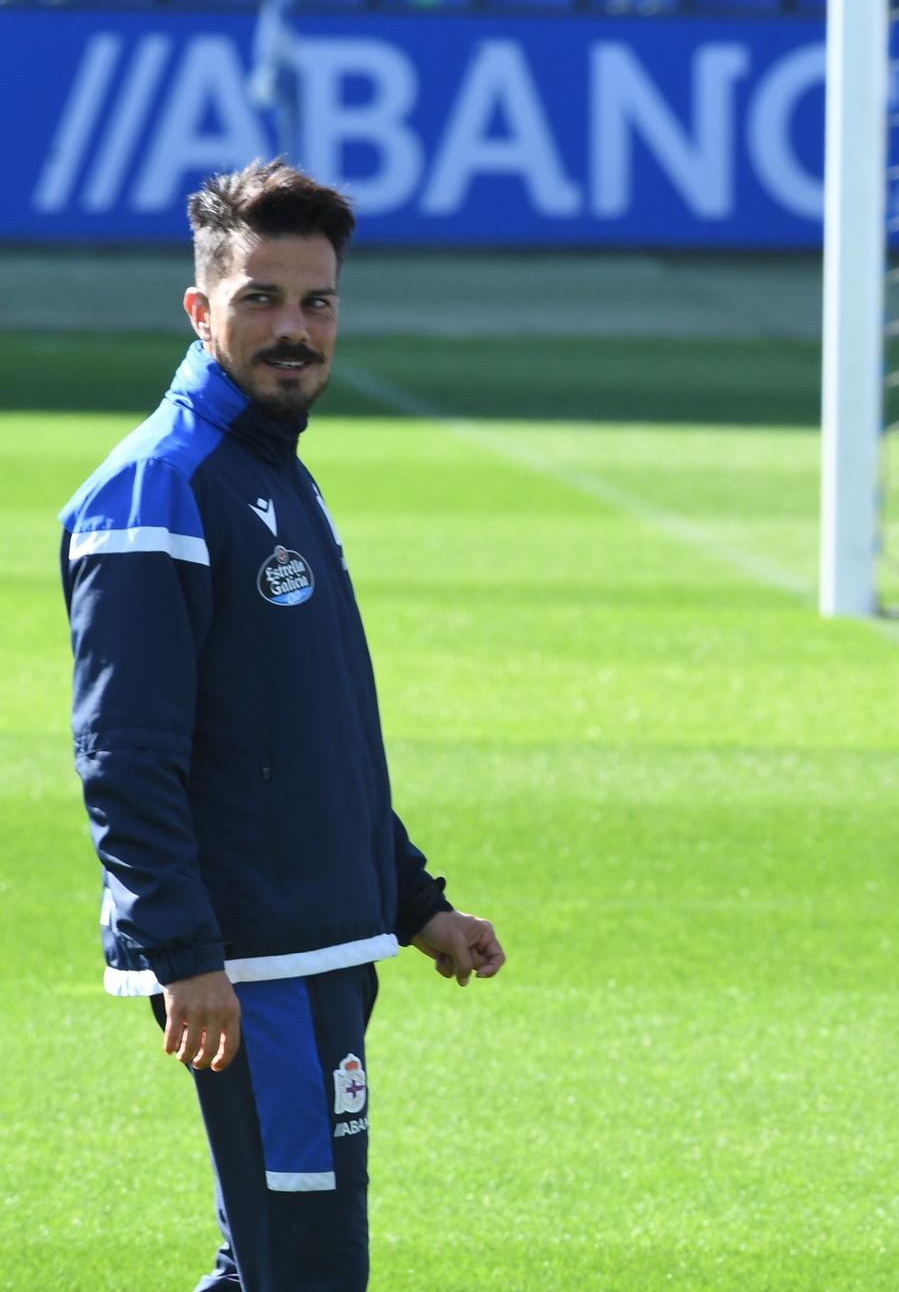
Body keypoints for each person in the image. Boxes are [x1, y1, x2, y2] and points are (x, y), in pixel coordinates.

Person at [59, 159, 505, 1292]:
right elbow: (124, 755)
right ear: (201, 310)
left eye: (317, 302)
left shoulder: (270, 473)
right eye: (261, 299)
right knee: (304, 1273)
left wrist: (413, 902)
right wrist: (186, 954)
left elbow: (317, 736)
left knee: (264, 1266)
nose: (295, 330)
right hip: (250, 965)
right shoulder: (159, 487)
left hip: (318, 943)